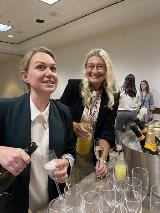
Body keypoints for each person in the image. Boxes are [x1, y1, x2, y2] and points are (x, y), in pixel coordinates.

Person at [0, 47, 75, 213]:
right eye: (41, 67)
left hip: (53, 204)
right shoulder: (4, 109)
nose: (49, 73)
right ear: (25, 76)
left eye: (53, 68)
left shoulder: (64, 112)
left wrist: (66, 163)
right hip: (13, 205)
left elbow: (70, 151)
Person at [60, 48, 119, 183]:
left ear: (107, 69)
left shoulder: (112, 95)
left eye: (100, 66)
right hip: (70, 150)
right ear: (85, 68)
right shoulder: (74, 86)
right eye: (90, 66)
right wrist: (73, 125)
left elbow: (107, 130)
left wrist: (102, 159)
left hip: (93, 153)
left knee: (92, 190)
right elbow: (59, 115)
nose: (94, 71)